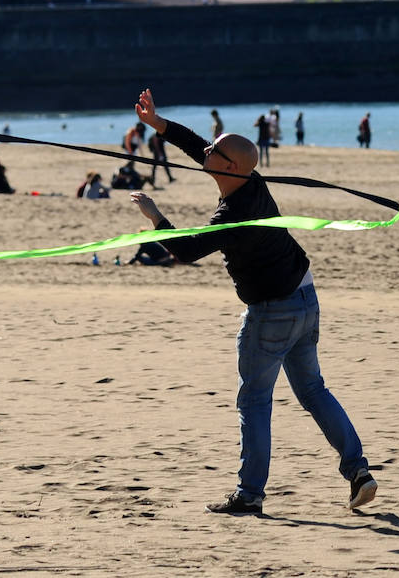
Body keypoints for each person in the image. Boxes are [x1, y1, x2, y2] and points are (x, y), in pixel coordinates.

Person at [128, 88, 376, 514]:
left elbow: (185, 252)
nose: (206, 149)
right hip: (305, 295)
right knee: (313, 390)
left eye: (216, 150)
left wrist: (155, 217)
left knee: (255, 401)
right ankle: (359, 472)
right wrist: (159, 123)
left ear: (230, 168)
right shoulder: (248, 179)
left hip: (273, 312)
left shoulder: (232, 216)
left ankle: (249, 494)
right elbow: (196, 147)